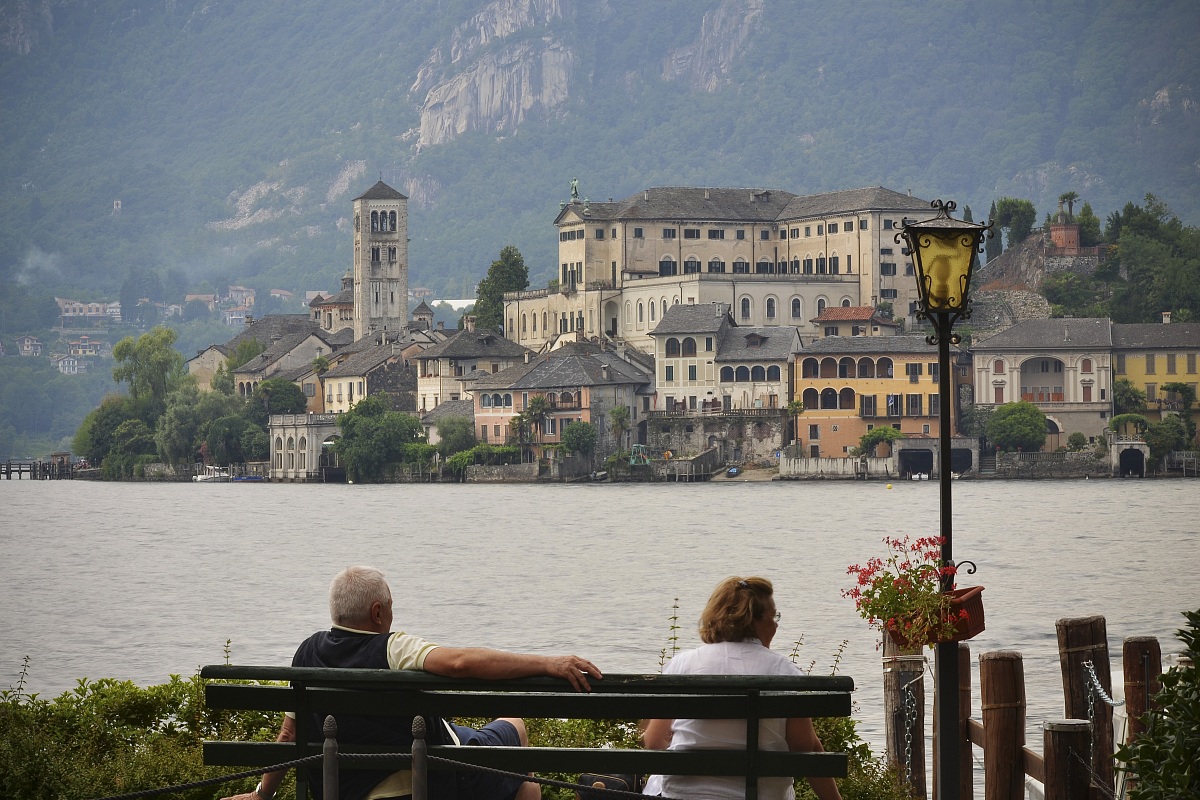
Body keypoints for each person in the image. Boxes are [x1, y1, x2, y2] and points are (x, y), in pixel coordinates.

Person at [221, 565, 601, 800]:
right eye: (390, 607)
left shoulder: (306, 652)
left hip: (345, 788)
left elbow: (288, 735)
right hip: (428, 778)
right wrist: (548, 662)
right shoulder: (391, 648)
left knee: (509, 769)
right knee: (518, 748)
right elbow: (459, 663)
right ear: (376, 612)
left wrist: (261, 794)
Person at [641, 577, 841, 800]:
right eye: (773, 617)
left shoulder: (682, 665)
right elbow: (804, 749)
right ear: (754, 621)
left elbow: (653, 741)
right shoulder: (785, 672)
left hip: (683, 795)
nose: (775, 625)